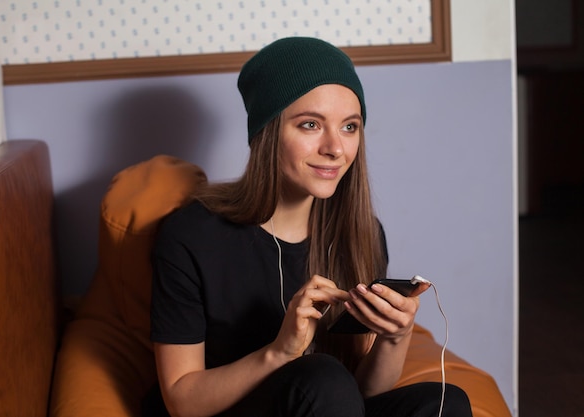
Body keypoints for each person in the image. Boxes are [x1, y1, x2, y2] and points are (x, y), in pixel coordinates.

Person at [146, 37, 472, 417]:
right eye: (311, 124)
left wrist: (394, 338)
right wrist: (281, 350)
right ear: (267, 133)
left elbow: (362, 396)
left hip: (329, 404)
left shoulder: (361, 234)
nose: (335, 147)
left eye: (350, 126)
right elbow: (181, 400)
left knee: (444, 404)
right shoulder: (191, 236)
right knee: (324, 378)